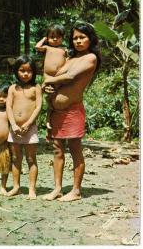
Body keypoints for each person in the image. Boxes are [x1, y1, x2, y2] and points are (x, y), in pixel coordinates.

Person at [42, 22, 102, 201]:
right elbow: (58, 78)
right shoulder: (70, 58)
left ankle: (76, 191)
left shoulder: (90, 58)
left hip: (73, 111)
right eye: (75, 38)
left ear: (90, 39)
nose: (78, 41)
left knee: (75, 149)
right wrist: (49, 90)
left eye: (82, 37)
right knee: (57, 150)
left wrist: (47, 83)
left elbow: (70, 77)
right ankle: (57, 188)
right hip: (56, 111)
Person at [6, 55, 42, 199]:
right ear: (16, 71)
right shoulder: (12, 88)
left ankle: (32, 189)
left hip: (30, 129)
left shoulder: (36, 88)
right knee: (15, 158)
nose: (26, 74)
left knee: (31, 159)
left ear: (34, 72)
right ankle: (16, 186)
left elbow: (38, 107)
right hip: (14, 129)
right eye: (22, 70)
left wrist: (28, 123)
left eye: (29, 71)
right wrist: (13, 124)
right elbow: (8, 106)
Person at [35, 24, 67, 131]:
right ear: (47, 38)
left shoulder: (64, 50)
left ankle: (57, 120)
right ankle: (48, 119)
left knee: (57, 99)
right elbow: (37, 47)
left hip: (60, 78)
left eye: (58, 37)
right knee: (49, 99)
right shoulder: (47, 47)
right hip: (48, 77)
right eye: (51, 37)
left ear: (62, 38)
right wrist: (44, 38)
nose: (55, 39)